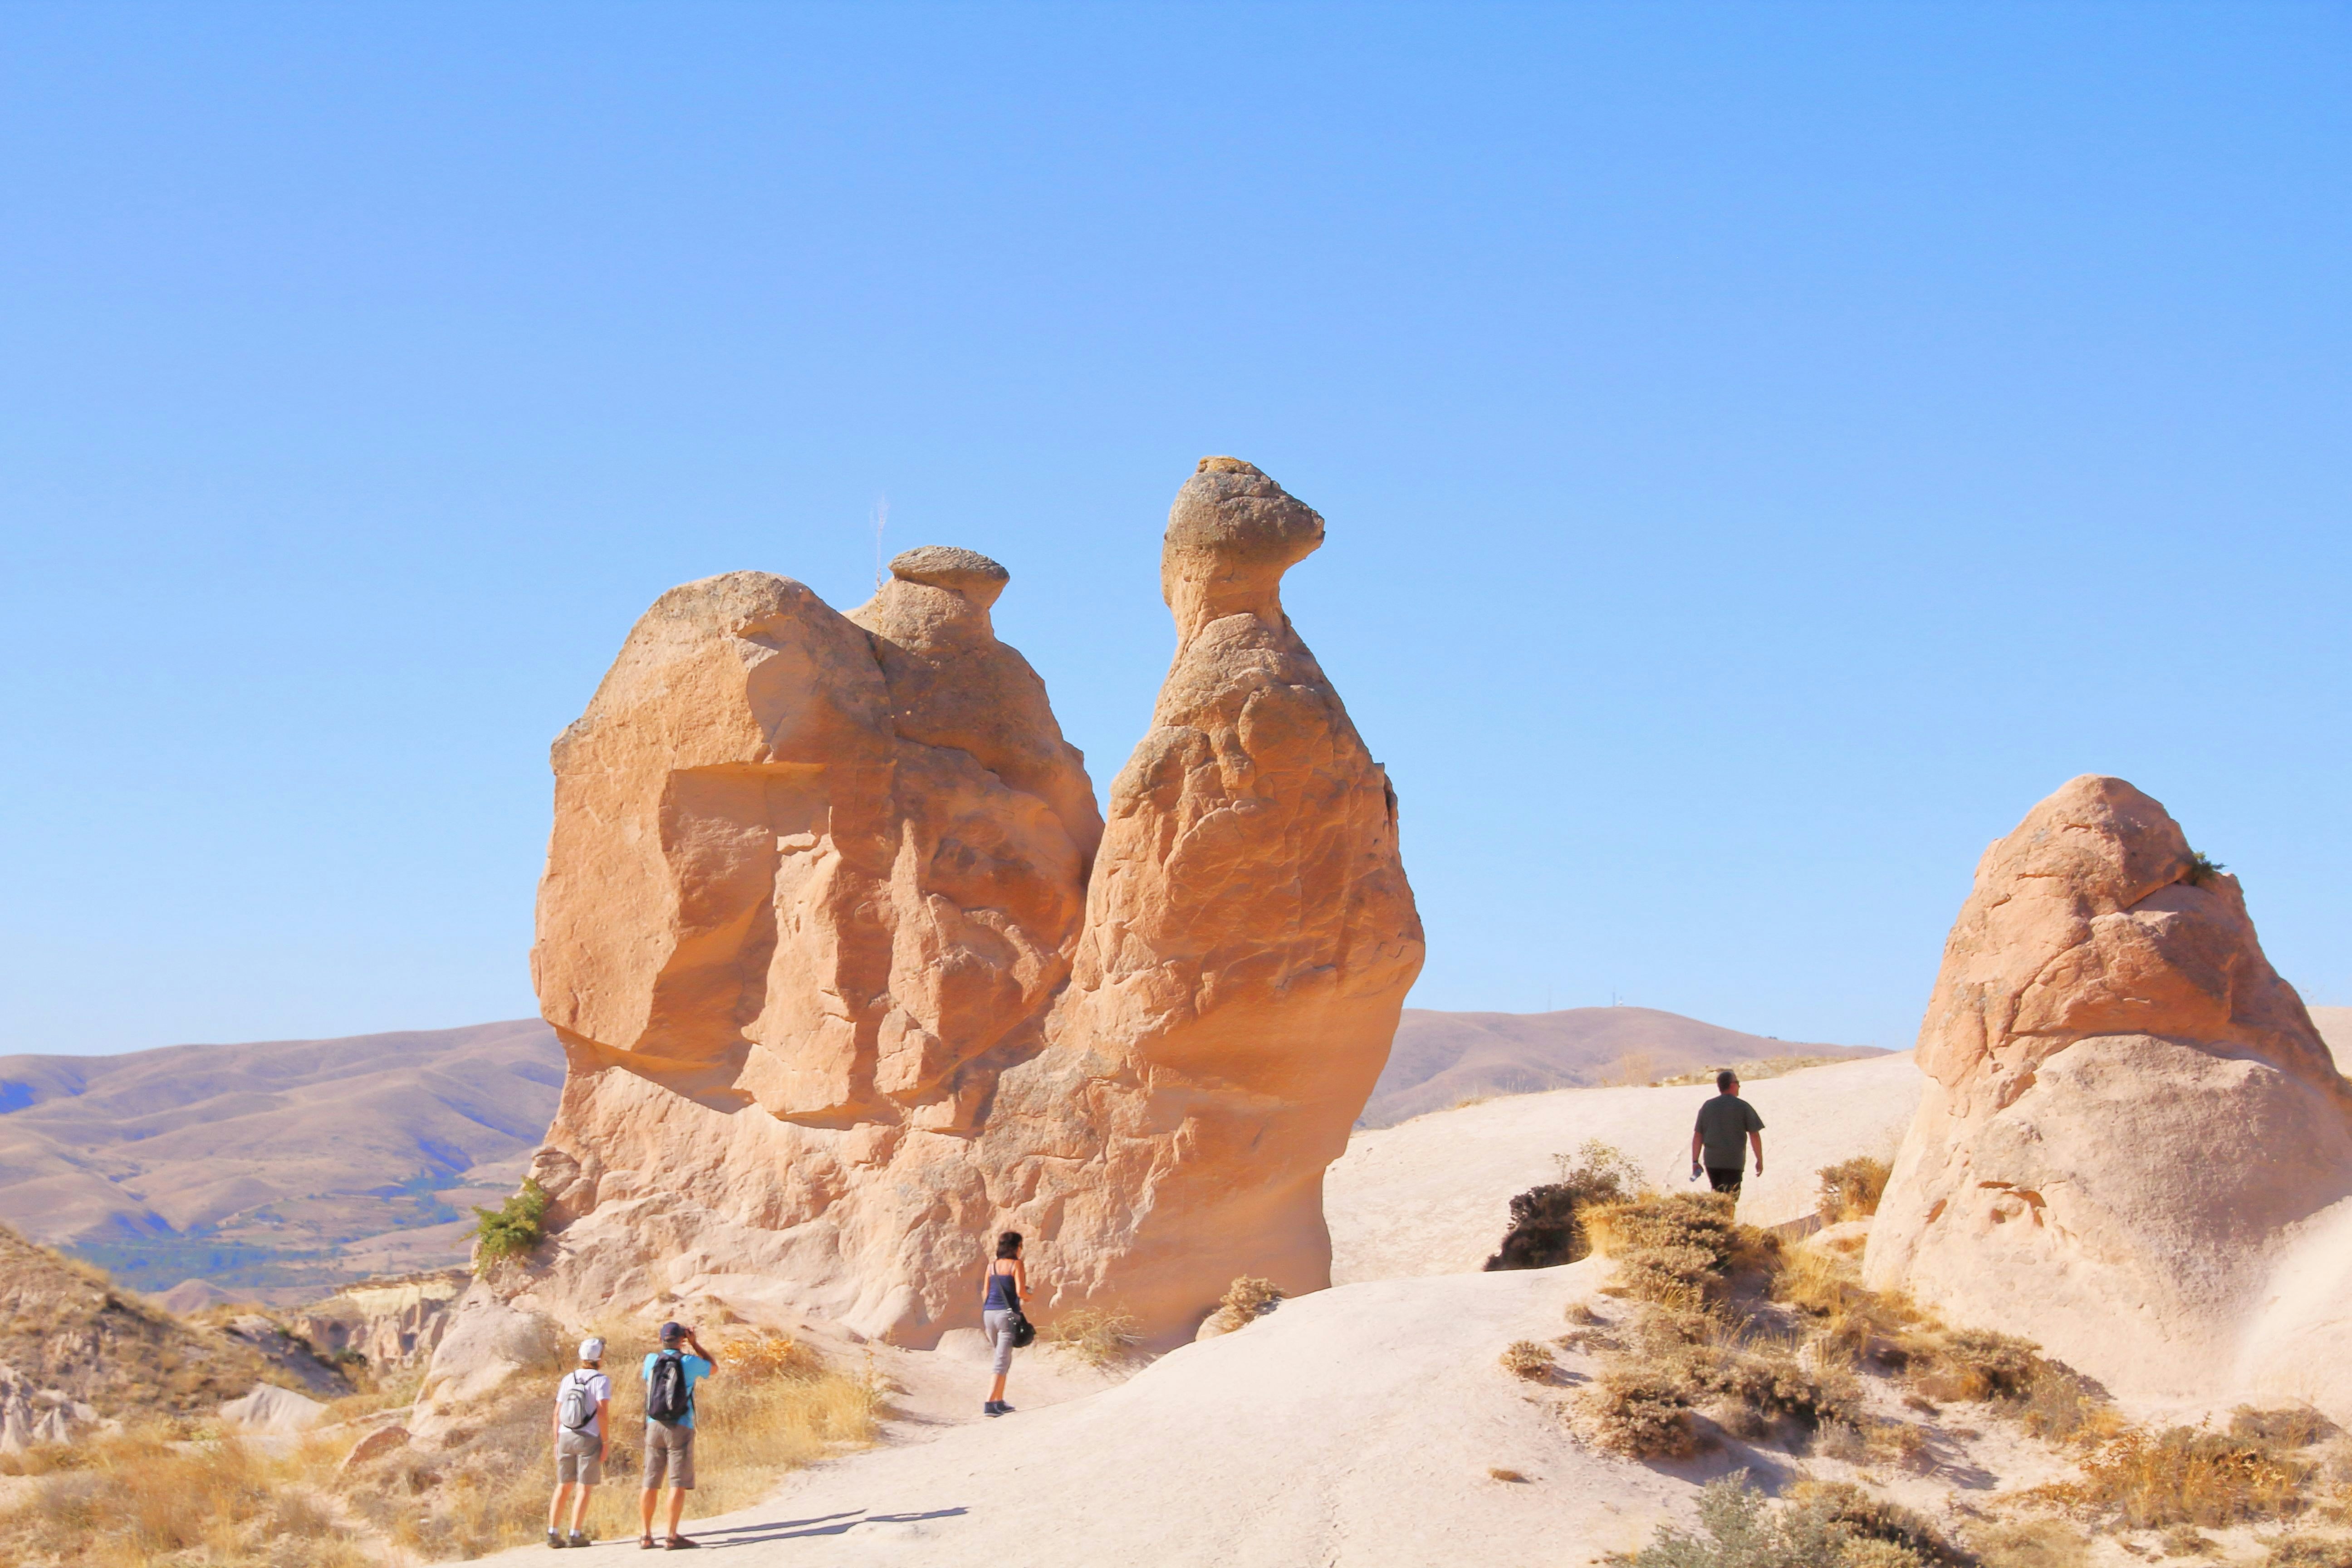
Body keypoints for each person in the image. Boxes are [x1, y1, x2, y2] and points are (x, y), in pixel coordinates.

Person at [638, 1321, 717, 1551]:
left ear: (661, 1339)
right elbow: (713, 1368)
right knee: (677, 1483)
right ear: (682, 1340)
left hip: (654, 1424)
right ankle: (672, 1536)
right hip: (680, 1426)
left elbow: (648, 1380)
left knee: (650, 1482)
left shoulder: (651, 1360)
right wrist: (696, 1344)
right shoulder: (689, 1362)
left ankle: (646, 1535)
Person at [547, 1336, 612, 1549]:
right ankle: (575, 1534)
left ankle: (553, 1533)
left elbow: (557, 1413)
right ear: (600, 1357)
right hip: (588, 1437)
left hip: (565, 1436)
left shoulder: (568, 1379)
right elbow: (602, 1412)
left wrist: (556, 1441)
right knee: (584, 1487)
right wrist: (605, 1441)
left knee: (563, 1485)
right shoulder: (601, 1380)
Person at [1690, 1068, 1765, 1195]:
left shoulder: (1708, 1106)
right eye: (1738, 1083)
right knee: (1731, 1197)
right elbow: (1754, 1135)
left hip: (1712, 1161)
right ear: (1732, 1085)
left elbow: (1698, 1135)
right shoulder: (1743, 1107)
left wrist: (1695, 1161)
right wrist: (1759, 1160)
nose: (1739, 1086)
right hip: (1733, 1162)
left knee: (1717, 1194)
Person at [979, 1230, 1028, 1417]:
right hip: (1006, 1315)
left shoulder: (991, 1267)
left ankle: (999, 1400)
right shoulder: (1016, 1265)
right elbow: (1021, 1293)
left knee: (1002, 1358)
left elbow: (985, 1293)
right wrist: (1031, 1295)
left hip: (989, 1314)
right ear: (1016, 1247)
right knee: (1002, 1360)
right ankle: (990, 1403)